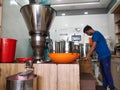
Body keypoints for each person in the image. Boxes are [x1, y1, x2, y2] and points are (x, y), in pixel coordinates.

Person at [83, 25, 114, 90]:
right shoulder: (96, 34)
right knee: (103, 73)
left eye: (87, 33)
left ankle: (111, 88)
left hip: (105, 56)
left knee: (107, 73)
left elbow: (93, 46)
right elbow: (95, 47)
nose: (88, 35)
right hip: (102, 56)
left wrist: (88, 55)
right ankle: (104, 87)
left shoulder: (95, 34)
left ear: (89, 30)